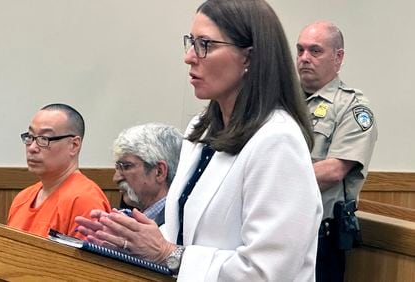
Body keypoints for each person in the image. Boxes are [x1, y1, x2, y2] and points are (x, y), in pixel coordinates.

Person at [75, 0, 323, 281]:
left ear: (249, 57)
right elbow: (186, 232)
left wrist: (167, 253)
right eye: (191, 42)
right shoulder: (202, 128)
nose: (190, 56)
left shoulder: (277, 141)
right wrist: (130, 243)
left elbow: (267, 271)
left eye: (205, 44)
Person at [296, 21, 378, 282]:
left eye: (315, 51)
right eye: (300, 50)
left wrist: (272, 179)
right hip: (272, 229)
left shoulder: (352, 107)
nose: (304, 58)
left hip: (320, 238)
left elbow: (334, 170)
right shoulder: (280, 101)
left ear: (338, 57)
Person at [8, 103, 111, 239]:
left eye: (44, 139)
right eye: (30, 137)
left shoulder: (84, 200)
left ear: (74, 145)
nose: (32, 147)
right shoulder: (23, 198)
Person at [113, 123, 182, 226]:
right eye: (117, 168)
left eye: (126, 166)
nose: (116, 178)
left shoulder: (178, 226)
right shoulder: (132, 218)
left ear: (159, 172)